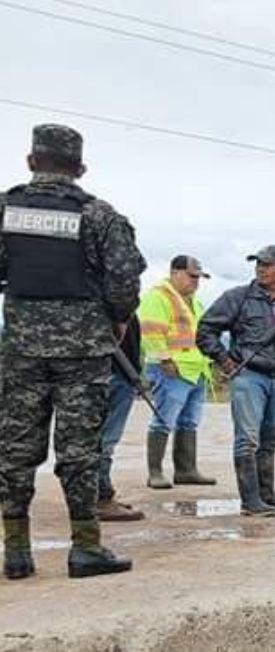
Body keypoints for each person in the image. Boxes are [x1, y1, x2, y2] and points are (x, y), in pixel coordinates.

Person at [0, 124, 146, 579]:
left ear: (30, 161)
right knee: (80, 450)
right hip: (83, 353)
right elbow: (124, 281)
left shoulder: (6, 209)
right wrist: (117, 321)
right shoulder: (100, 216)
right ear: (80, 169)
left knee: (15, 449)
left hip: (22, 347)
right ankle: (84, 548)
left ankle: (17, 552)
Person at [197, 245, 275, 516]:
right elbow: (206, 330)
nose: (261, 268)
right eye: (258, 264)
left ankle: (267, 493)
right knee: (248, 439)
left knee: (272, 438)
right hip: (249, 376)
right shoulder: (238, 297)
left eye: (267, 264)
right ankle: (250, 500)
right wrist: (224, 359)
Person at [139, 255, 217, 489]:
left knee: (189, 422)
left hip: (195, 370)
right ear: (175, 272)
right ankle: (155, 472)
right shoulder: (158, 297)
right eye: (192, 276)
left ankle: (186, 470)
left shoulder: (193, 301)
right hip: (171, 370)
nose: (196, 282)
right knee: (163, 420)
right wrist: (164, 360)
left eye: (199, 278)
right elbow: (150, 332)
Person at [96, 313, 145, 521]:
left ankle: (100, 494)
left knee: (101, 440)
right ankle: (101, 498)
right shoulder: (109, 295)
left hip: (122, 375)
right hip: (113, 374)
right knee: (104, 441)